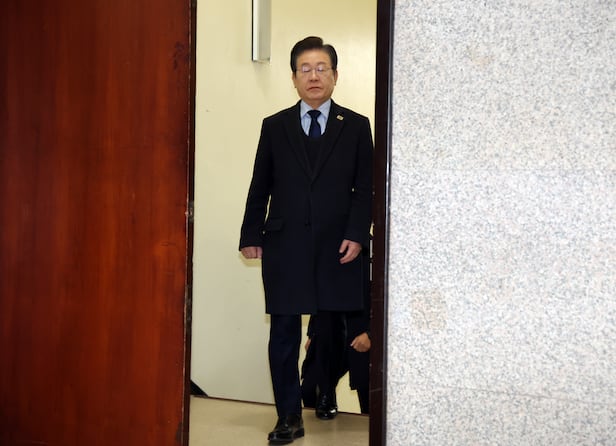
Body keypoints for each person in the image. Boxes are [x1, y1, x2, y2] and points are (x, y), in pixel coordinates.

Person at [239, 36, 373, 444]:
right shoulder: (274, 125)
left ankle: (325, 392)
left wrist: (357, 235)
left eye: (321, 68)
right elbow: (260, 184)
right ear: (294, 78)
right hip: (286, 246)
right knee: (283, 331)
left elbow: (365, 190)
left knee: (331, 329)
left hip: (338, 247)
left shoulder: (356, 126)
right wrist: (250, 233)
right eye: (305, 69)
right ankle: (288, 416)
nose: (313, 76)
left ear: (335, 75)